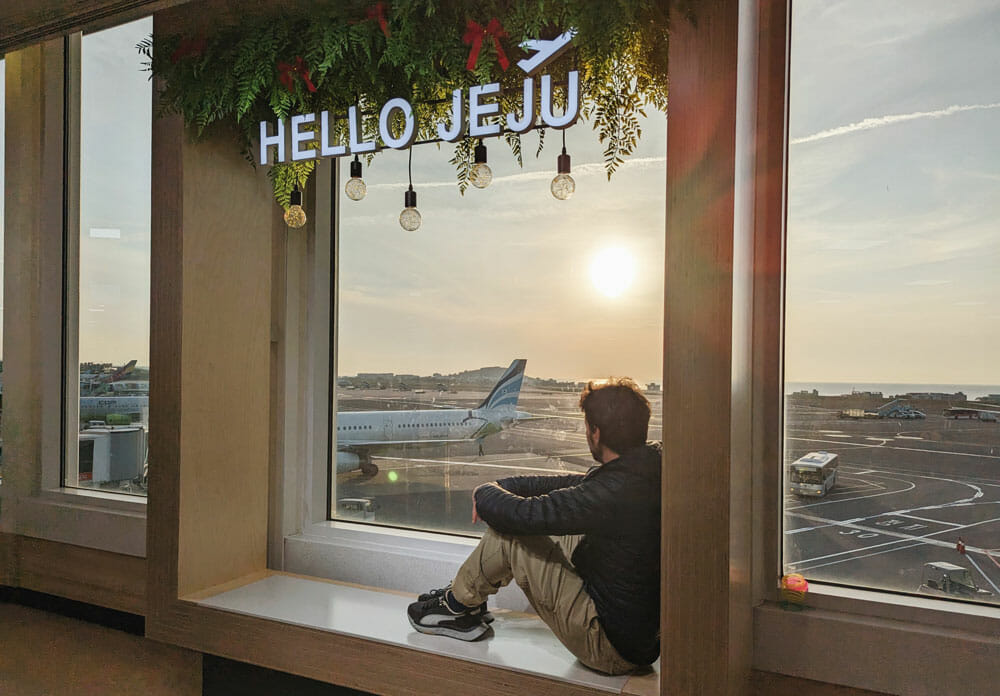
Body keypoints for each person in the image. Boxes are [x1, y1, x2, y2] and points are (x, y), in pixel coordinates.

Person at [406, 377, 661, 675]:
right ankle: (465, 601)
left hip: (608, 647)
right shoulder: (644, 468)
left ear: (596, 432)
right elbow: (571, 486)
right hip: (638, 638)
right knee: (539, 521)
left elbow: (523, 515)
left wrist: (484, 492)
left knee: (513, 533)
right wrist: (502, 485)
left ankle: (456, 605)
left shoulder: (613, 489)